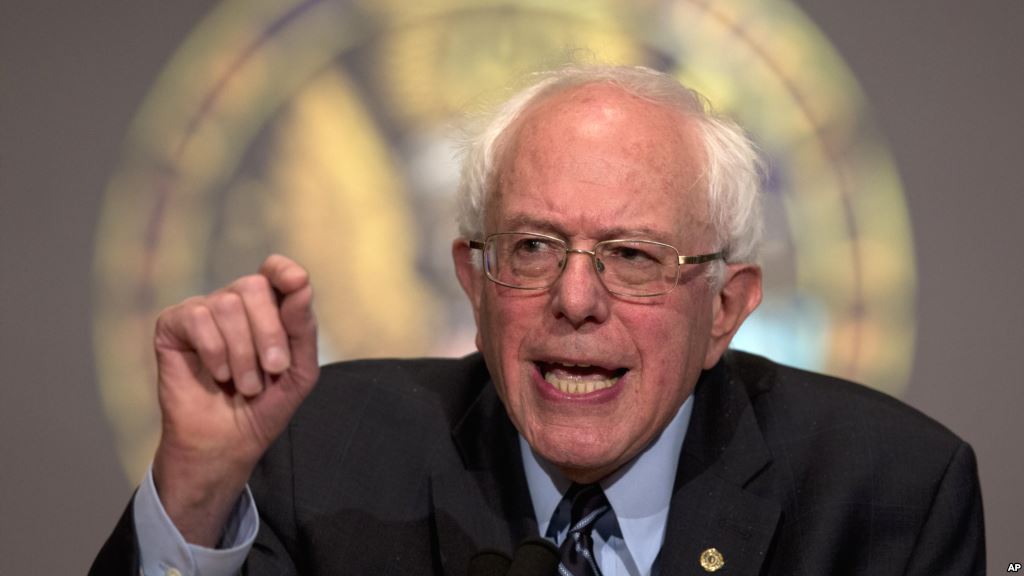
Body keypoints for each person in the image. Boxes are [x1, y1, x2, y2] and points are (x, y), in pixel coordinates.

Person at [91, 65, 984, 575]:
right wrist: (198, 494)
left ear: (726, 309)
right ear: (473, 285)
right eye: (531, 248)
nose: (575, 298)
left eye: (633, 255)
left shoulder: (890, 497)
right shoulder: (319, 458)